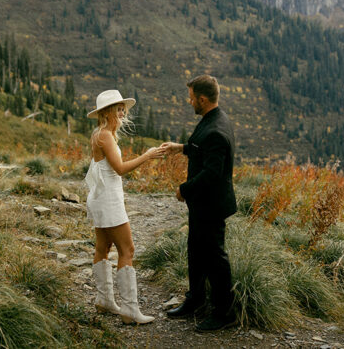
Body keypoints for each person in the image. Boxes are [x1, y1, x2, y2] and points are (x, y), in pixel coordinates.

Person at [160, 74, 238, 332]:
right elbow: (201, 147)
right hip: (203, 204)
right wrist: (179, 147)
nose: (189, 101)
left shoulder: (215, 129)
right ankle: (195, 299)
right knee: (196, 249)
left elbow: (213, 173)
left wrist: (185, 188)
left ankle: (224, 313)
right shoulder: (214, 119)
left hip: (211, 205)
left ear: (202, 100)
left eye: (191, 97)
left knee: (215, 257)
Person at [86, 89, 166, 324]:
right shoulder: (105, 137)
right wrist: (148, 156)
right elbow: (120, 168)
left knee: (103, 247)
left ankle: (105, 300)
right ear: (107, 112)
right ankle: (129, 310)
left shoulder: (100, 134)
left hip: (101, 197)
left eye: (123, 108)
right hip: (108, 200)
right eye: (118, 109)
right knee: (127, 249)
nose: (122, 112)